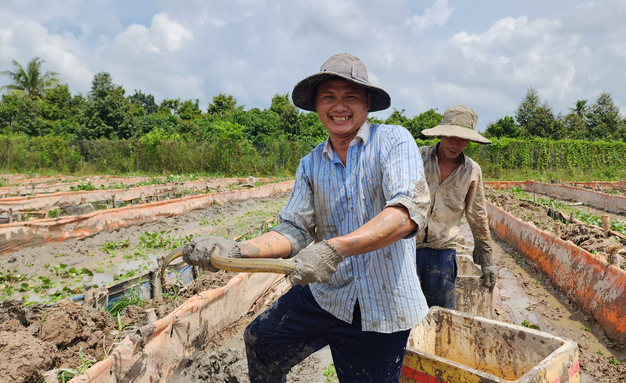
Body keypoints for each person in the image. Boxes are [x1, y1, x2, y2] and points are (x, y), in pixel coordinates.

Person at [182, 53, 430, 383]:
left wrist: (334, 249)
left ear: (367, 102)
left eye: (350, 97)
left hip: (381, 307)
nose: (339, 106)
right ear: (316, 104)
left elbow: (405, 212)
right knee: (261, 342)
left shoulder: (393, 140)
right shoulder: (311, 163)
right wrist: (237, 251)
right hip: (326, 295)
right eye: (329, 97)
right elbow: (295, 229)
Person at [415, 105, 497, 309]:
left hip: (443, 254)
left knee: (440, 315)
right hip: (407, 248)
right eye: (451, 136)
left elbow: (477, 215)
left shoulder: (471, 171)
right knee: (401, 315)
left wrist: (486, 260)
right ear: (441, 134)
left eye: (463, 138)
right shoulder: (417, 158)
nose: (456, 143)